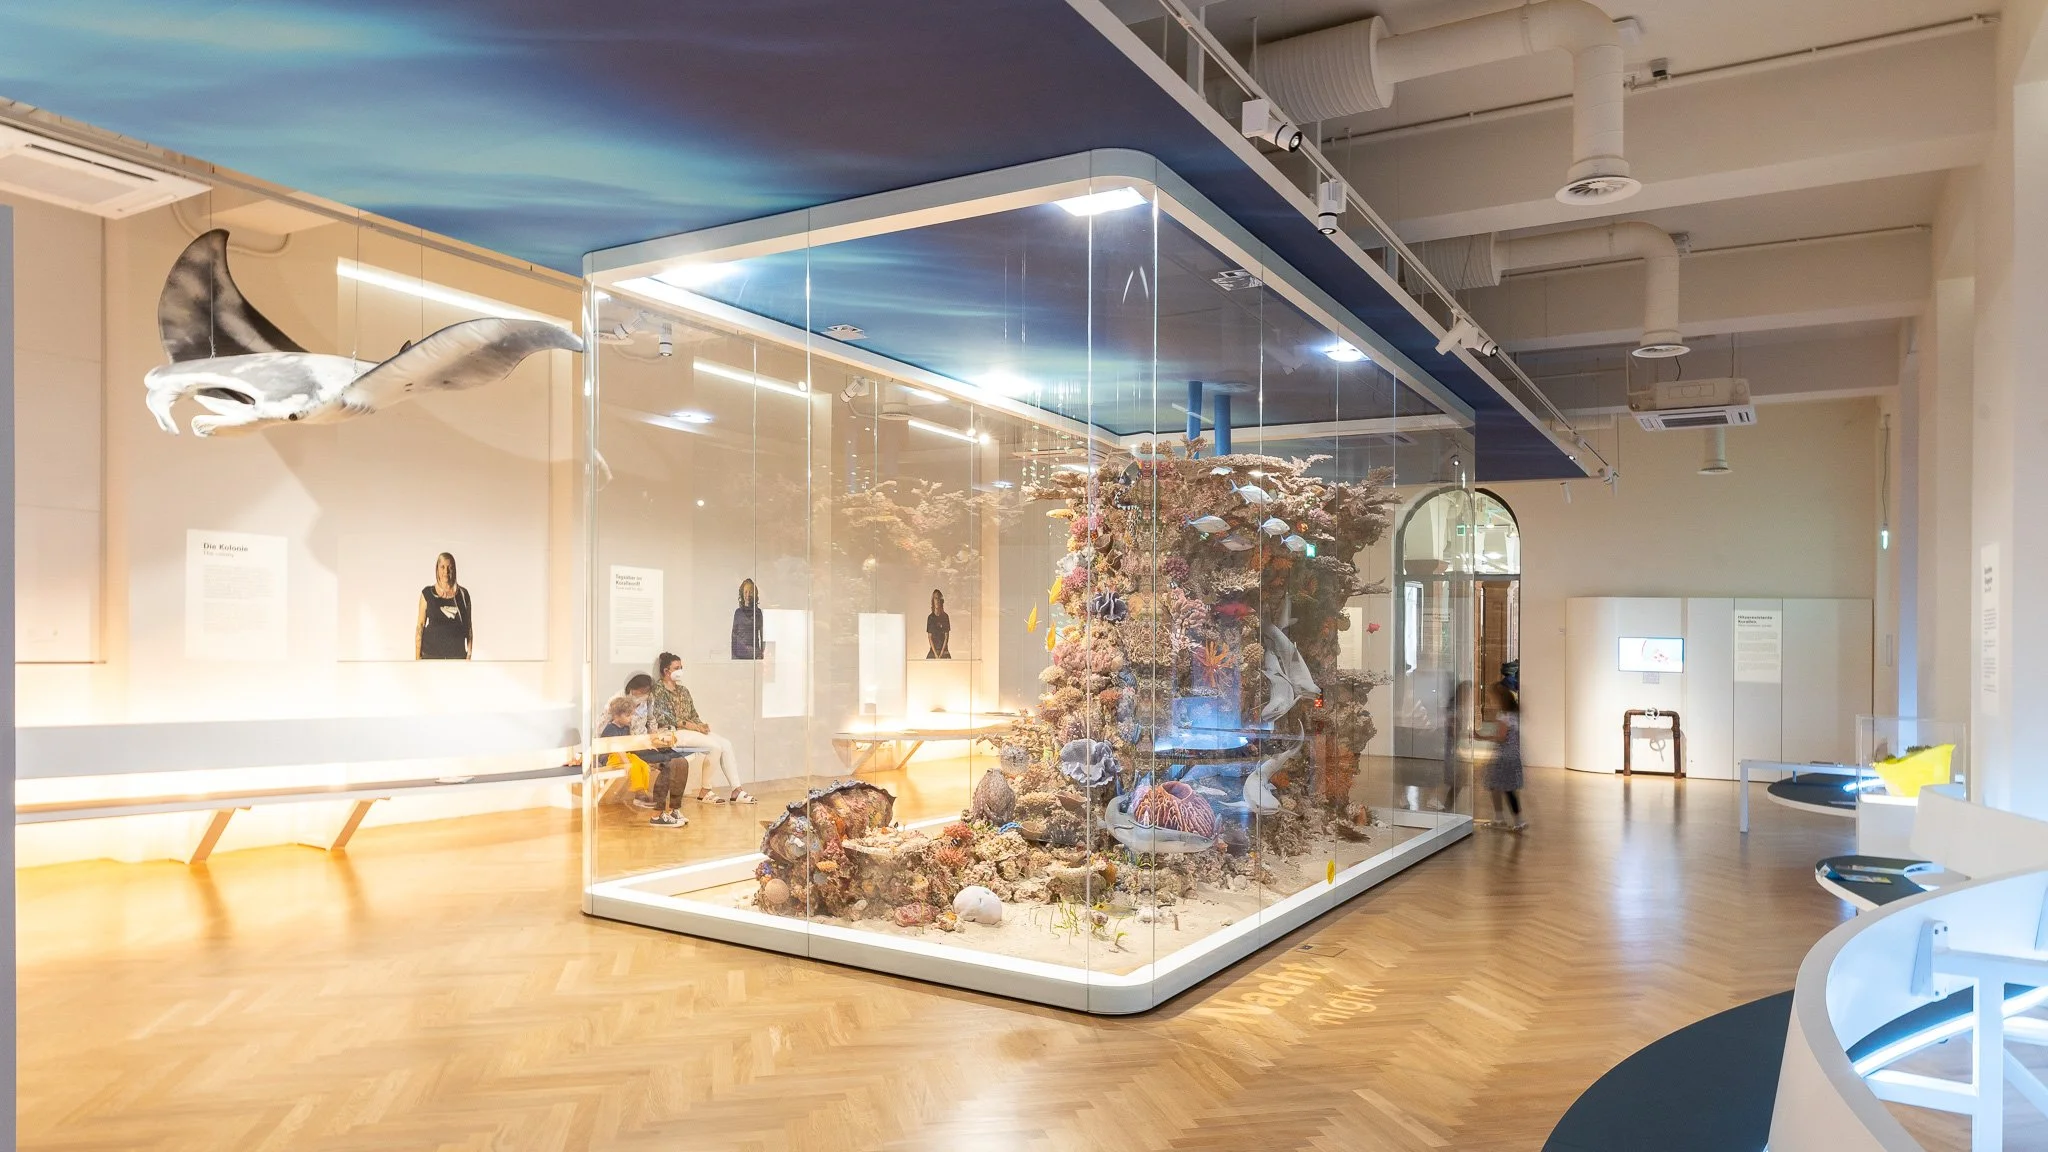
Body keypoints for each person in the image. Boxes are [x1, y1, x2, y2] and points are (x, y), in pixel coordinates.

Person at [650, 651, 755, 804]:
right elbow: (661, 716)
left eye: (681, 667)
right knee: (713, 747)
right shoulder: (658, 690)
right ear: (666, 671)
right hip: (671, 732)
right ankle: (705, 790)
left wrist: (700, 725)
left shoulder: (683, 691)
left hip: (689, 731)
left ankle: (736, 790)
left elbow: (693, 713)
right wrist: (690, 725)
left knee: (725, 744)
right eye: (677, 668)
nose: (680, 671)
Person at [598, 694, 684, 826]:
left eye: (631, 715)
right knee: (635, 765)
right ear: (617, 715)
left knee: (642, 764)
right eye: (627, 715)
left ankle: (642, 792)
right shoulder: (611, 729)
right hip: (611, 757)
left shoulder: (625, 727)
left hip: (625, 754)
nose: (630, 718)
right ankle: (639, 792)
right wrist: (627, 763)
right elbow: (616, 748)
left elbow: (628, 745)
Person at [1480, 681, 1525, 831]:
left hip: (1504, 756)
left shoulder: (1504, 715)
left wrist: (1481, 737)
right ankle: (1500, 818)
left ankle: (1517, 821)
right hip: (1512, 755)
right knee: (1498, 786)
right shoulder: (1513, 714)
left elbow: (1501, 737)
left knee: (1505, 788)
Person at [416, 552, 473, 660]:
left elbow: (468, 627)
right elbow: (420, 625)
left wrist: (469, 655)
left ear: (454, 569)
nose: (446, 571)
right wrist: (417, 658)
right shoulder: (427, 594)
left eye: (449, 567)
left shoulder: (463, 595)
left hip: (456, 656)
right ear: (437, 569)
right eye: (442, 567)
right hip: (431, 655)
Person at [1438, 680, 1473, 812]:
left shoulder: (1462, 707)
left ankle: (1447, 807)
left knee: (1459, 780)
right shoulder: (1454, 707)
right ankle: (1447, 807)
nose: (1468, 696)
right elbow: (1452, 728)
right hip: (1452, 748)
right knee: (1457, 780)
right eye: (1466, 693)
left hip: (1456, 747)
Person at [925, 589, 952, 659]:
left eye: (939, 598)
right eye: (935, 598)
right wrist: (936, 655)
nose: (937, 601)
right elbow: (930, 637)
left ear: (941, 601)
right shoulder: (930, 618)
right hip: (933, 651)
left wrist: (941, 654)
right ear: (933, 601)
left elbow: (946, 637)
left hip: (944, 651)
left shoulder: (945, 617)